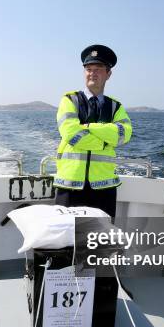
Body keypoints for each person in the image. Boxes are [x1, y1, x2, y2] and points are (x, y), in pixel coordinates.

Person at [54, 44, 132, 219]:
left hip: (104, 187)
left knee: (99, 241)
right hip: (70, 185)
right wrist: (105, 140)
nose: (92, 73)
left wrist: (89, 127)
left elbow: (123, 135)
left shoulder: (115, 107)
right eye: (88, 69)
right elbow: (71, 134)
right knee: (66, 241)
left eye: (98, 69)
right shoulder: (69, 100)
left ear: (108, 74)